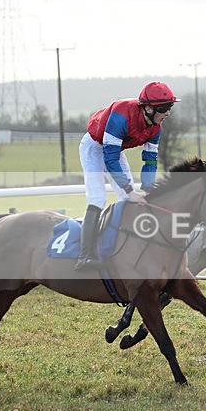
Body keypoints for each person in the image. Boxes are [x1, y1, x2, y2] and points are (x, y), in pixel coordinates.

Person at [75, 81, 180, 271]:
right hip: (94, 146)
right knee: (98, 198)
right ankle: (84, 256)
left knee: (130, 200)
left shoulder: (156, 128)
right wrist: (130, 190)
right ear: (147, 108)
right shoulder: (121, 116)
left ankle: (131, 251)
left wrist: (149, 189)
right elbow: (110, 159)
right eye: (164, 108)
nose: (168, 113)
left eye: (169, 107)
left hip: (115, 150)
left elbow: (150, 161)